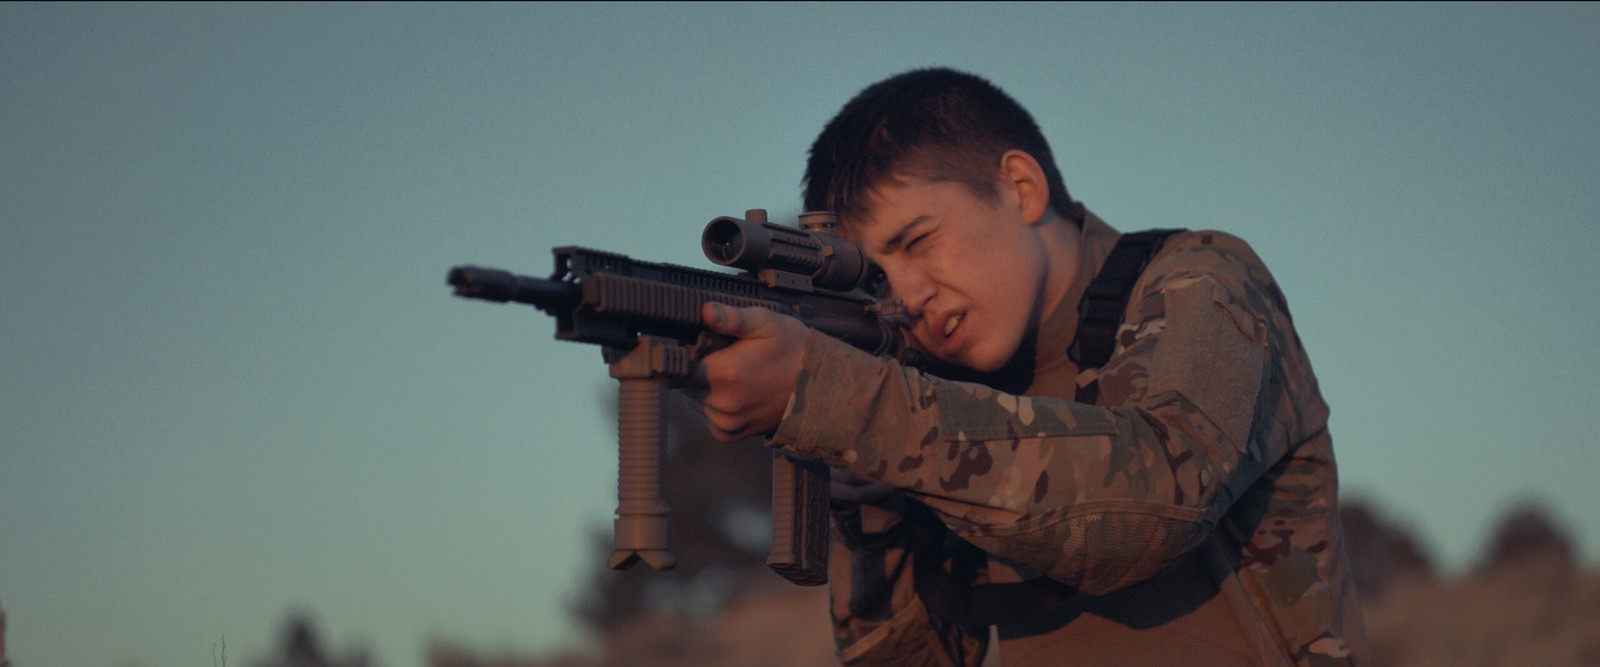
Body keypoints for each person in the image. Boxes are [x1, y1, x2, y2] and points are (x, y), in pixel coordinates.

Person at [693, 68, 1369, 666]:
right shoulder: (933, 389)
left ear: (1020, 188)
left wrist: (845, 402)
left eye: (919, 241)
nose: (908, 296)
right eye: (878, 276)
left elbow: (1157, 501)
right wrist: (868, 512)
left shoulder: (1206, 279)